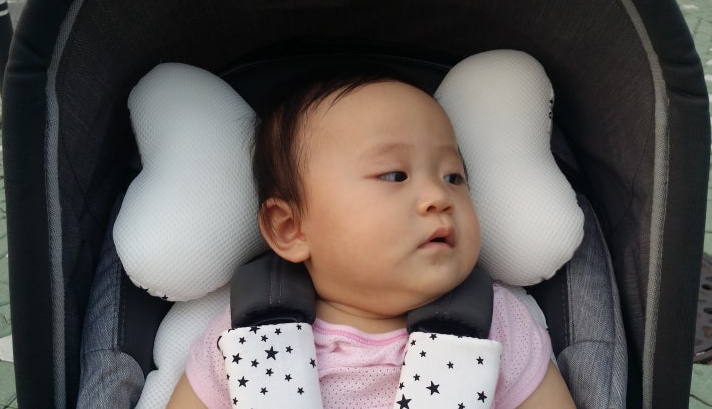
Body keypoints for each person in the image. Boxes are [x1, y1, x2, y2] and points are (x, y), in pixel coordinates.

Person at [168, 67, 576, 408]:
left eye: (454, 177)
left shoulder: (497, 326)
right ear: (290, 228)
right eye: (395, 175)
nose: (439, 197)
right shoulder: (247, 337)